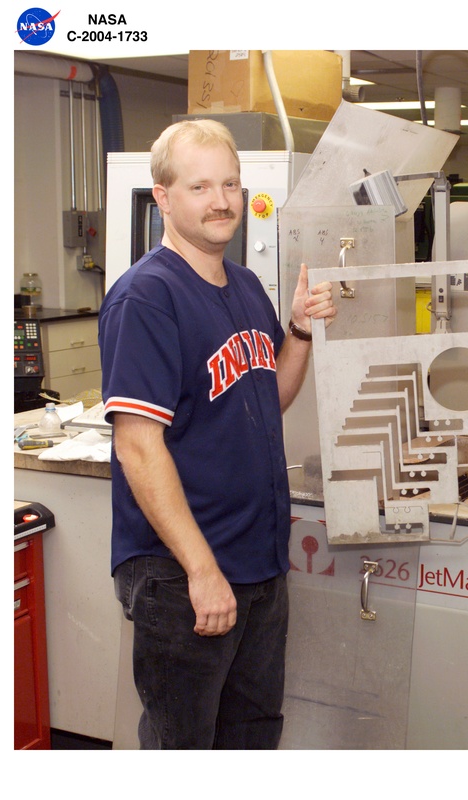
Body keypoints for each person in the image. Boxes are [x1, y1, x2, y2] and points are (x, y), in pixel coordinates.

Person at [98, 119, 336, 749]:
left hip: (258, 565)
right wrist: (202, 572)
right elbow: (137, 446)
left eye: (230, 184)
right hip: (184, 573)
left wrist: (299, 331)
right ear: (163, 197)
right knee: (184, 749)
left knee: (251, 739)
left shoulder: (247, 286)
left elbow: (268, 398)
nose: (221, 201)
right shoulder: (147, 297)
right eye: (200, 186)